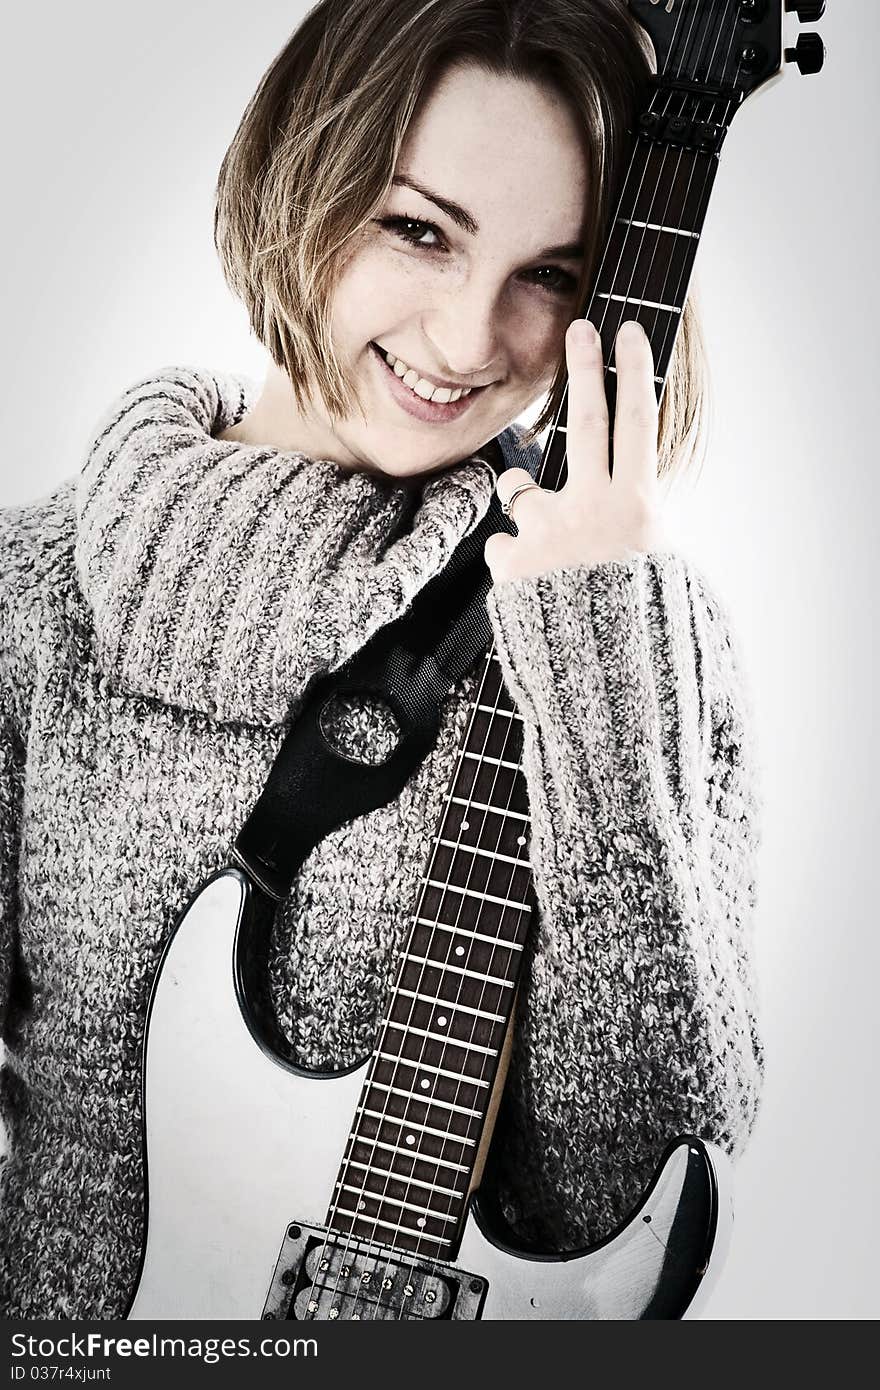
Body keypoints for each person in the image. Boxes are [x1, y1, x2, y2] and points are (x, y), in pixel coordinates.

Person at [0, 0, 764, 1319]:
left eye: (549, 276)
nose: (470, 342)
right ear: (303, 171)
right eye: (420, 229)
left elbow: (625, 1196)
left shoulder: (645, 641)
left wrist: (600, 670)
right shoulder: (29, 597)